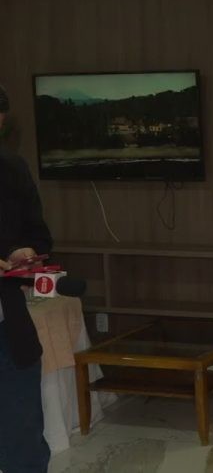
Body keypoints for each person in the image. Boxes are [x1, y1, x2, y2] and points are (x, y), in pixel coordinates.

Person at [0, 83, 53, 473]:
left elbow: (38, 233)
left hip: (8, 327)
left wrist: (24, 252)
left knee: (25, 439)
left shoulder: (12, 168)